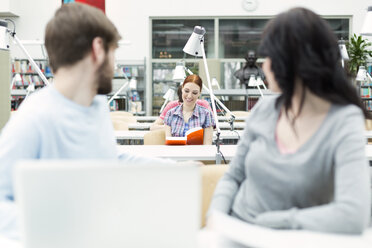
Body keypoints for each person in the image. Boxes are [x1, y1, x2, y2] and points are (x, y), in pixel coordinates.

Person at [0, 3, 171, 240]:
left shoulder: (96, 106)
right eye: (114, 51)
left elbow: (108, 157)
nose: (115, 65)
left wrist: (175, 170)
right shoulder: (34, 119)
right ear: (98, 50)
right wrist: (60, 227)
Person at [209, 7, 371, 234]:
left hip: (289, 239)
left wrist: (271, 225)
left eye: (271, 57)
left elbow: (353, 215)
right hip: (235, 231)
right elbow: (233, 177)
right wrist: (216, 222)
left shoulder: (343, 121)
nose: (265, 66)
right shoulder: (265, 109)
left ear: (294, 62)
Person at [164, 75, 215, 145]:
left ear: (199, 93)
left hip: (198, 155)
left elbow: (207, 145)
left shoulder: (206, 114)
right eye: (186, 91)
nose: (189, 96)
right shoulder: (170, 114)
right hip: (175, 154)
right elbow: (168, 144)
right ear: (182, 89)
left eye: (194, 93)